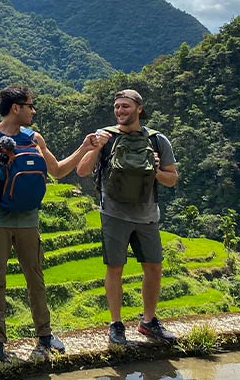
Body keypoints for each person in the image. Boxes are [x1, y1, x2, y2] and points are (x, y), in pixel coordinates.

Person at [0, 84, 99, 362]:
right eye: (30, 105)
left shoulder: (35, 139)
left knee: (35, 277)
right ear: (16, 108)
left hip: (28, 220)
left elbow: (56, 171)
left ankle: (44, 334)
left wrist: (84, 147)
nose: (34, 111)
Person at [76, 89, 179, 346]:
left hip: (147, 215)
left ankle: (148, 321)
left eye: (126, 106)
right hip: (114, 213)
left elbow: (171, 178)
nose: (121, 111)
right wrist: (94, 147)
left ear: (139, 109)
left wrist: (154, 171)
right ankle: (116, 324)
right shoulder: (106, 137)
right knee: (115, 268)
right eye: (117, 107)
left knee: (154, 267)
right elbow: (82, 170)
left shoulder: (157, 140)